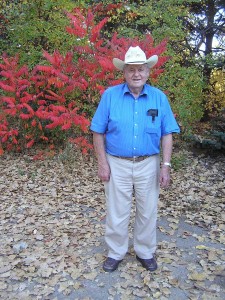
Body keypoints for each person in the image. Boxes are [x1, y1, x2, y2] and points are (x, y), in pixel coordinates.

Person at [90, 46, 180, 273]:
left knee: (147, 210)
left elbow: (167, 133)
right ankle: (115, 252)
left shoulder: (159, 98)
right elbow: (97, 131)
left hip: (148, 163)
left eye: (141, 69)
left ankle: (145, 251)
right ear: (124, 73)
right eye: (131, 70)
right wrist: (102, 163)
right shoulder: (110, 96)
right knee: (117, 211)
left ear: (148, 72)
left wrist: (166, 166)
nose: (136, 74)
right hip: (116, 162)